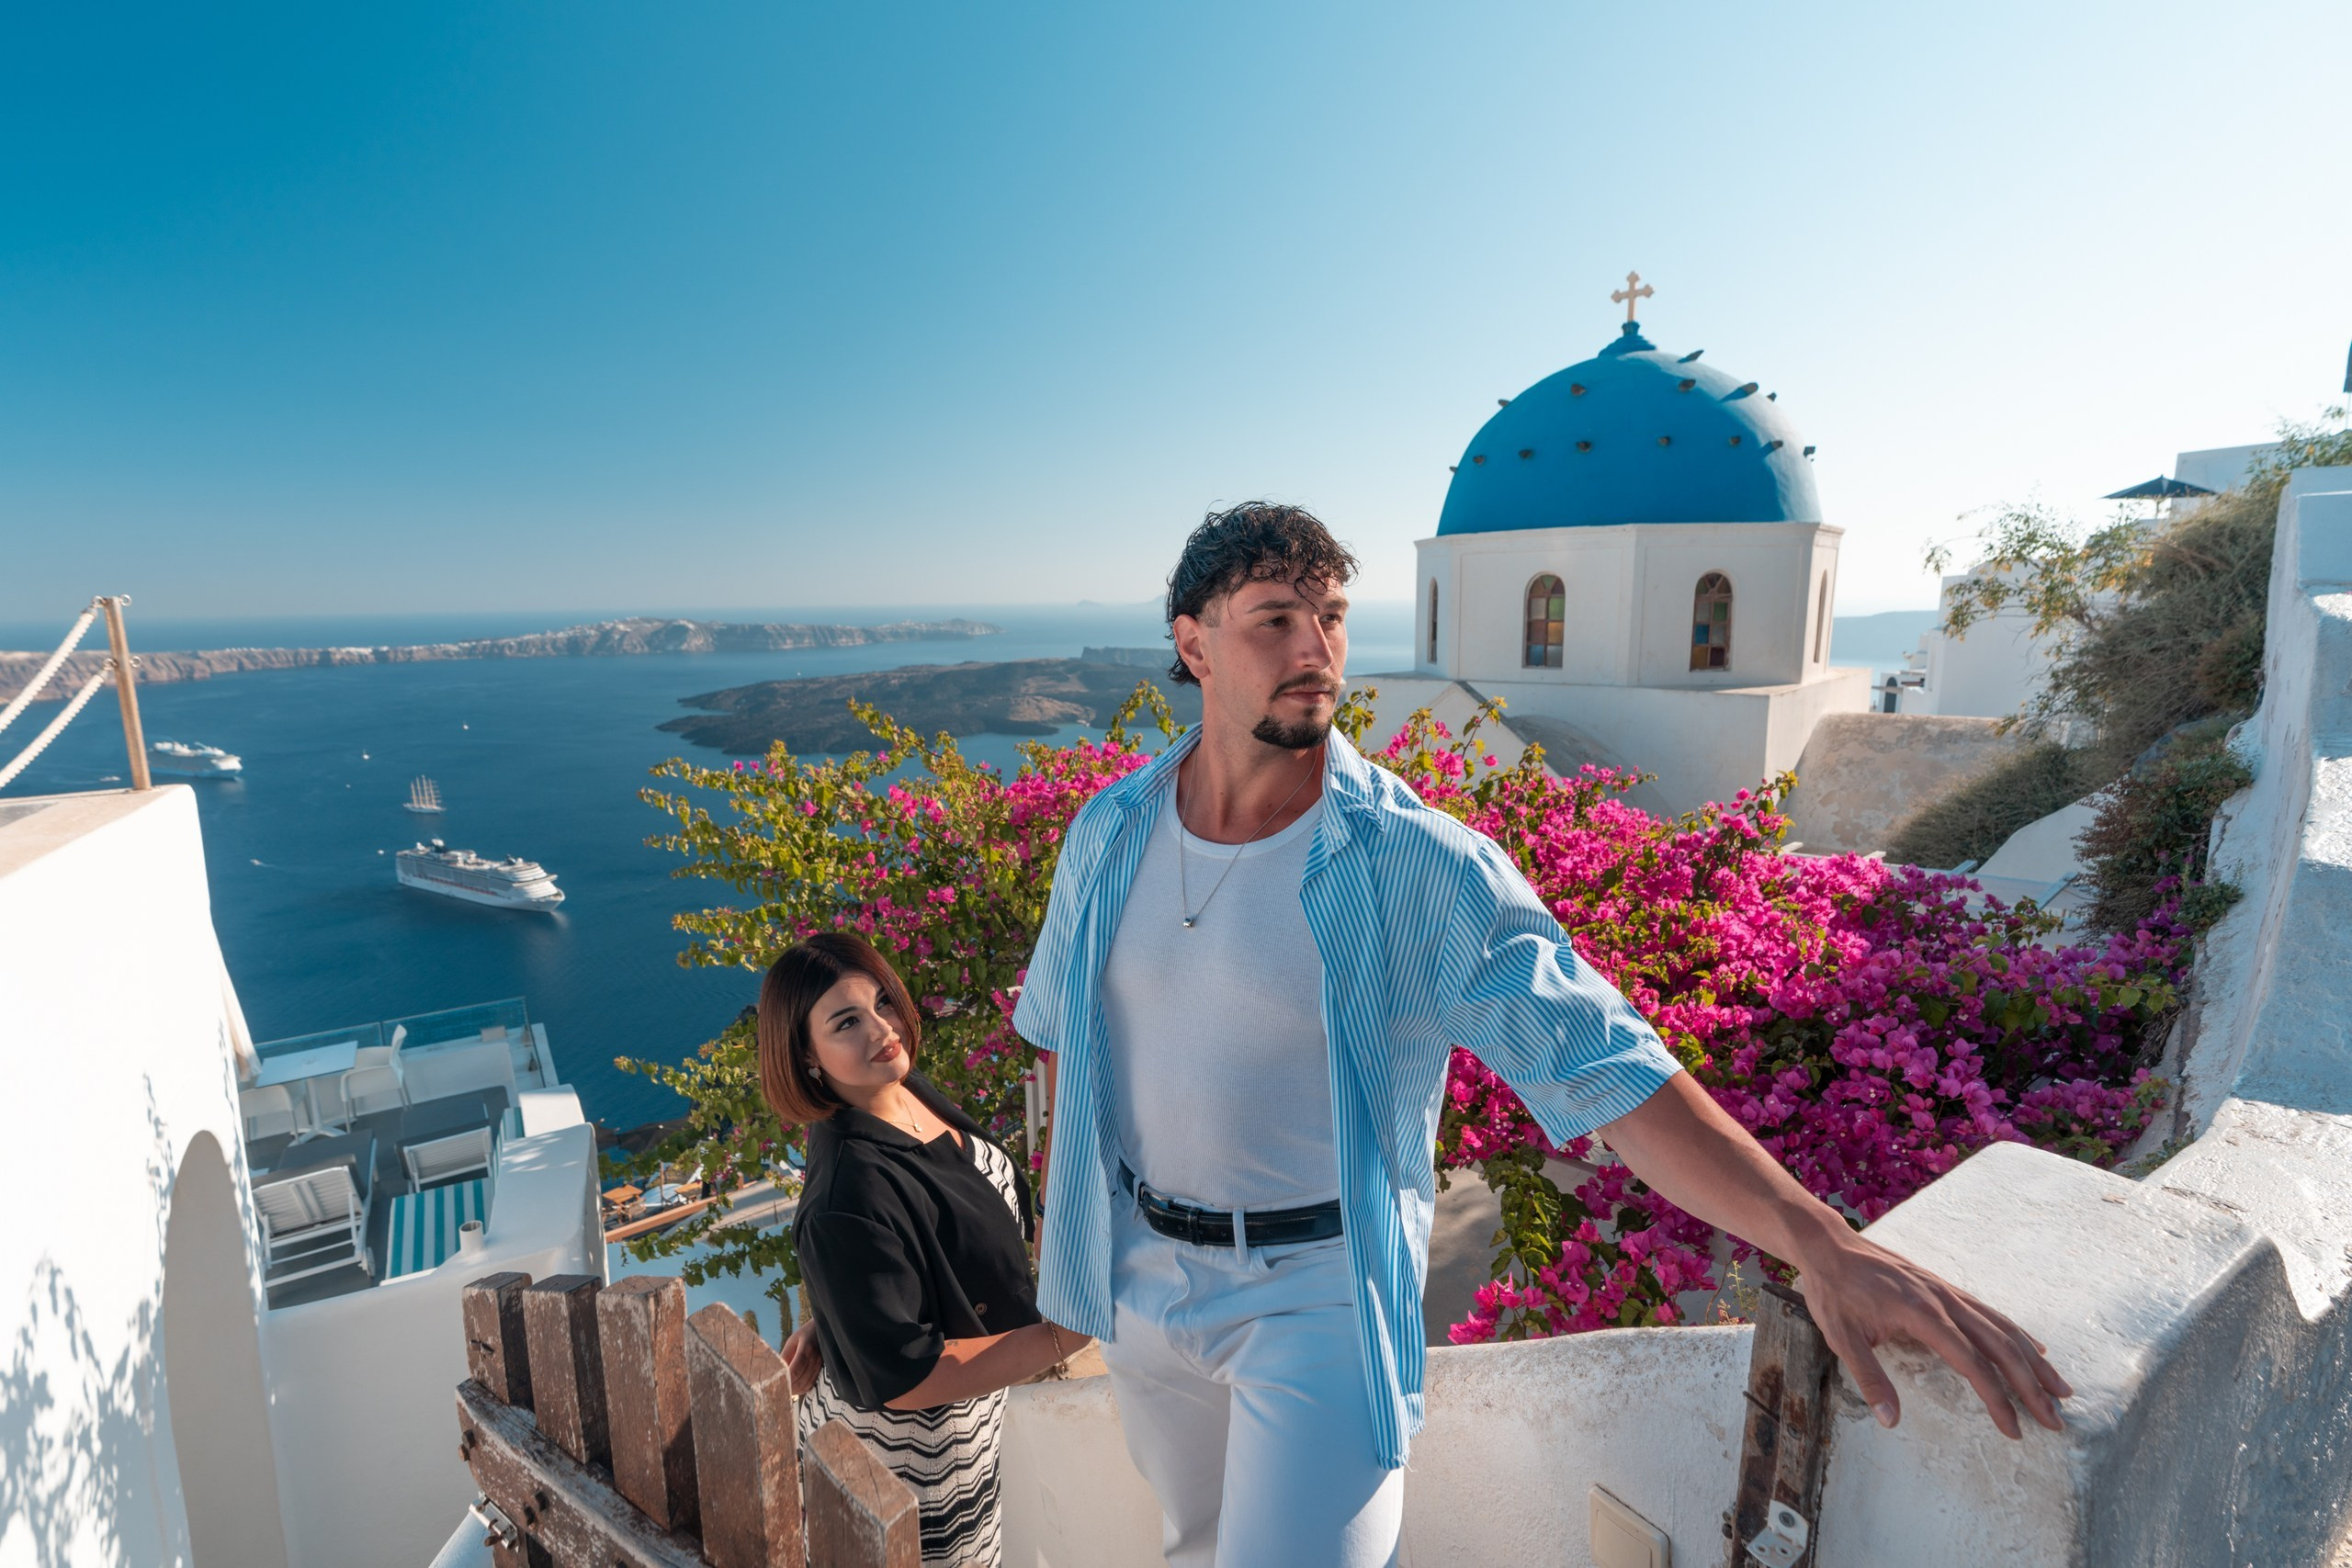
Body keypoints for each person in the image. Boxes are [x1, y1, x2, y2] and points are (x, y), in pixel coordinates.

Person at [1012, 502, 2073, 1568]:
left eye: (1330, 617)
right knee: (1190, 1551)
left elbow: (1608, 1067)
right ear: (1192, 642)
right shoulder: (1109, 834)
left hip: (1314, 1297)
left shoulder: (1415, 864)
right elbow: (1066, 1039)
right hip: (1144, 1280)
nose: (1314, 650)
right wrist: (1075, 1246)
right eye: (1273, 619)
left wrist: (1817, 1239)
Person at [762, 931, 1089, 1568]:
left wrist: (838, 1316)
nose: (883, 1028)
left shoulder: (900, 1092)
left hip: (966, 1443)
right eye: (847, 1021)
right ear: (806, 1054)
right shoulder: (845, 1192)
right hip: (908, 1471)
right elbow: (908, 1375)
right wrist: (1059, 1337)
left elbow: (914, 1250)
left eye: (883, 1001)